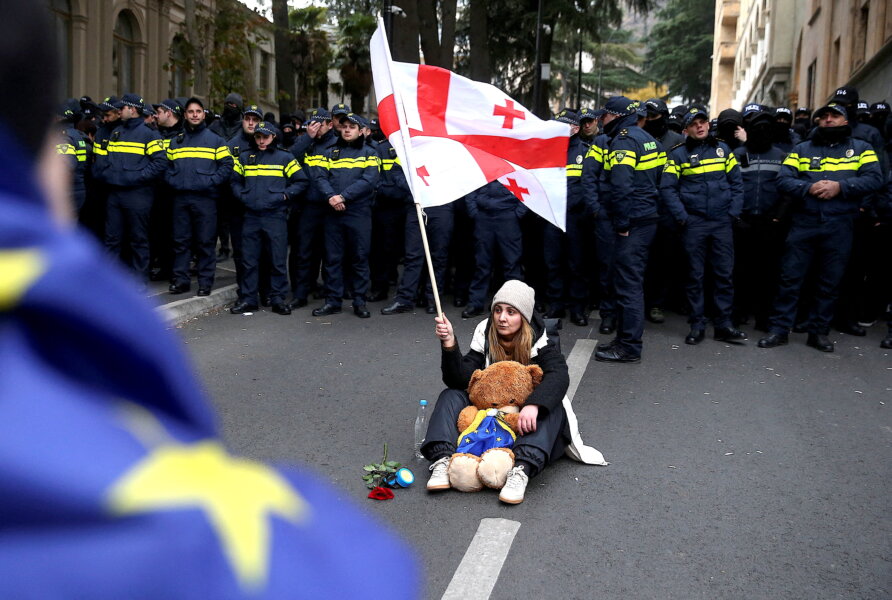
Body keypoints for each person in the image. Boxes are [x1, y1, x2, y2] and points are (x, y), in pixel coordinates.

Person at [0, 3, 418, 596]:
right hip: (254, 218)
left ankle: (320, 296)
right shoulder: (122, 438)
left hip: (304, 216)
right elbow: (349, 570)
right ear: (48, 153)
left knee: (305, 265)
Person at [423, 281, 570, 504]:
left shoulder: (540, 338)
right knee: (451, 394)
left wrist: (534, 404)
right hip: (487, 410)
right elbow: (460, 379)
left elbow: (559, 375)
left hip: (521, 416)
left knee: (554, 406)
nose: (502, 318)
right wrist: (449, 343)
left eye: (511, 312)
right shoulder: (485, 332)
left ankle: (520, 470)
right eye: (498, 310)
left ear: (524, 316)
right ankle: (444, 460)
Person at [757, 102, 883, 352]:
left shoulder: (862, 149)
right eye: (823, 116)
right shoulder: (802, 149)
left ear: (845, 121)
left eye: (834, 116)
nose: (828, 120)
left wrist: (841, 187)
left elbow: (875, 178)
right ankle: (779, 330)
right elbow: (783, 179)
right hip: (805, 222)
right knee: (790, 278)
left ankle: (818, 332)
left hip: (840, 224)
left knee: (829, 282)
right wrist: (808, 188)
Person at [661, 105, 747, 345]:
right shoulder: (678, 154)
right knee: (695, 276)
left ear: (708, 125)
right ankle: (697, 325)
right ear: (686, 129)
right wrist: (683, 217)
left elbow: (737, 184)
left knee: (723, 275)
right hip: (694, 223)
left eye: (703, 122)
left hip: (721, 223)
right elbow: (668, 189)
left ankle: (723, 325)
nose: (700, 126)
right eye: (694, 123)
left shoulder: (723, 149)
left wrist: (732, 213)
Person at [593, 96, 666, 363]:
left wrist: (622, 224)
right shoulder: (650, 140)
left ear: (617, 116)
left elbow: (621, 187)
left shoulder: (623, 141)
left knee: (627, 285)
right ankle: (625, 337)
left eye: (606, 116)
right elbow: (661, 179)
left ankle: (629, 346)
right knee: (630, 282)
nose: (602, 120)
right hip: (647, 217)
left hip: (632, 222)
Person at [230, 122, 308, 315]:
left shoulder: (284, 157)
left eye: (265, 137)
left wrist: (285, 196)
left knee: (277, 259)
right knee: (249, 260)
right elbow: (234, 181)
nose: (261, 140)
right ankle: (248, 299)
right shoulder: (245, 157)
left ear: (274, 137)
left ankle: (278, 299)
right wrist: (243, 196)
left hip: (275, 216)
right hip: (251, 215)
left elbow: (301, 180)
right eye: (258, 137)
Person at [309, 112, 380, 318]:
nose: (347, 130)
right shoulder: (330, 152)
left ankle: (359, 302)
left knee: (359, 258)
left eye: (352, 127)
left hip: (358, 213)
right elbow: (319, 176)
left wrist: (342, 197)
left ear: (361, 131)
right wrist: (332, 196)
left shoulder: (370, 153)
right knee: (332, 259)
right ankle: (333, 301)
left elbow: (369, 181)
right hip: (333, 213)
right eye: (344, 126)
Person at [92, 93, 167, 284]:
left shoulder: (149, 134)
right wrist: (111, 176)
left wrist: (138, 177)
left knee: (138, 240)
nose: (119, 111)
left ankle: (140, 280)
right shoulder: (117, 131)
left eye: (122, 108)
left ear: (132, 110)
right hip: (115, 195)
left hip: (138, 196)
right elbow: (107, 160)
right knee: (112, 239)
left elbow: (160, 162)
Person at [165, 97, 232, 296]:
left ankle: (205, 282)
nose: (194, 115)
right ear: (185, 115)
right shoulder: (176, 141)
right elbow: (166, 167)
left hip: (205, 200)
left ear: (204, 114)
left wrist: (210, 181)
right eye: (191, 111)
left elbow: (227, 166)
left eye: (198, 111)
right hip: (181, 198)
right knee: (181, 242)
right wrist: (174, 181)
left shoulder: (215, 140)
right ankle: (181, 281)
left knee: (205, 242)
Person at [543, 109, 590, 326]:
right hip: (552, 217)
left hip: (575, 218)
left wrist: (571, 206)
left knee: (577, 264)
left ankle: (578, 308)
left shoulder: (585, 152)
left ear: (576, 128)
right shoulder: (549, 151)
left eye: (565, 125)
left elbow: (587, 186)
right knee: (553, 263)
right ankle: (556, 305)